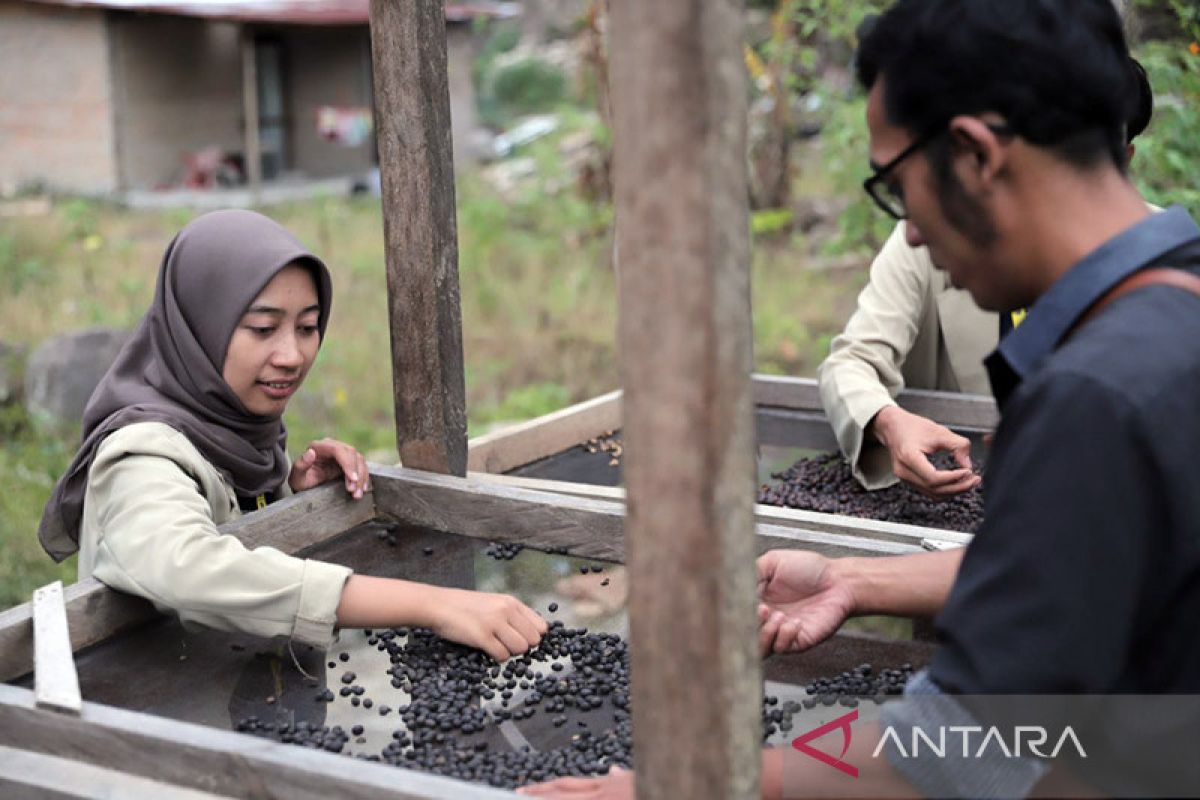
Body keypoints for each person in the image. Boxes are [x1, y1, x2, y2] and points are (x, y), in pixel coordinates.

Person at [522, 0, 1200, 796]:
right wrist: (856, 580)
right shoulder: (1175, 309)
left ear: (975, 154)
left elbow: (951, 754)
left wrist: (684, 784)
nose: (909, 232)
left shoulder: (1090, 398)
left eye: (897, 186)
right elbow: (1083, 557)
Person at [38, 210, 547, 662]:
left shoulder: (234, 434)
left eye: (307, 327)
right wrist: (432, 603)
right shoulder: (141, 456)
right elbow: (187, 568)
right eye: (263, 329)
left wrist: (288, 497)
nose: (292, 355)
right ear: (198, 329)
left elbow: (227, 524)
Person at [818, 55, 1155, 497]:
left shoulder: (1162, 269)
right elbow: (852, 361)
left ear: (1121, 162)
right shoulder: (928, 236)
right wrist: (889, 421)